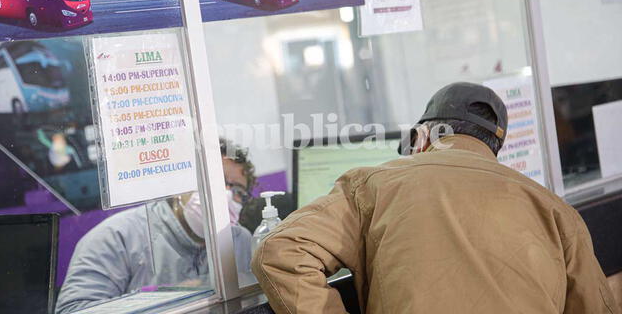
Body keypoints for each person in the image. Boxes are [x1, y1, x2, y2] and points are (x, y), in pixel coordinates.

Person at [251, 82, 619, 314]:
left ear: (422, 138)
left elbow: (281, 250)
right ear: (493, 150)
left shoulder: (373, 184)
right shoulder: (555, 211)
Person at [56, 138, 255, 314]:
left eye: (238, 190)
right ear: (181, 179)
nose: (225, 194)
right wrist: (172, 296)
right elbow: (74, 310)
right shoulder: (116, 237)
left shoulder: (239, 241)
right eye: (214, 179)